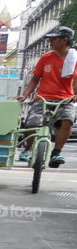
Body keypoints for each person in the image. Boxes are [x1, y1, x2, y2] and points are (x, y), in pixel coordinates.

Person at [17, 25, 77, 168]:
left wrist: (75, 94)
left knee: (68, 120)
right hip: (43, 97)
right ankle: (27, 149)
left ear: (63, 41)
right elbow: (35, 79)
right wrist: (25, 95)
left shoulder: (74, 58)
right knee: (31, 122)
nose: (50, 42)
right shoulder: (46, 58)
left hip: (65, 99)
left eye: (53, 39)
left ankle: (56, 152)